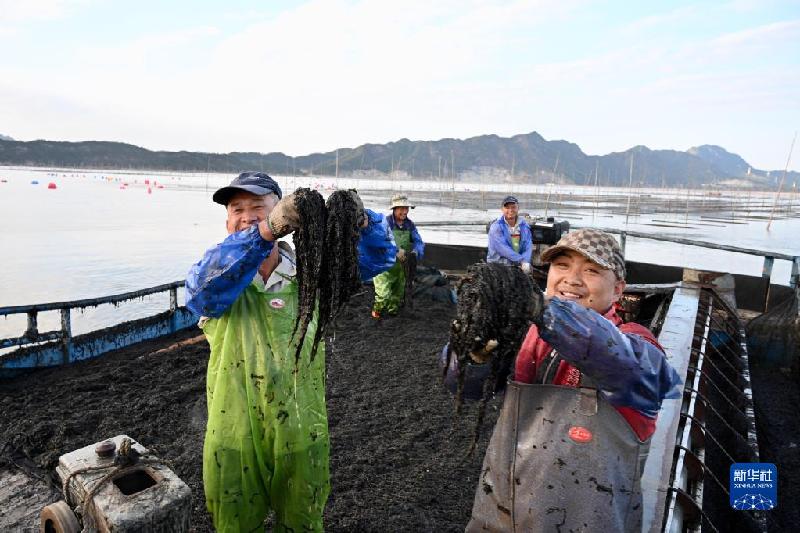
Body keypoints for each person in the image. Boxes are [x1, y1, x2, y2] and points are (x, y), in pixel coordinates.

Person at [185, 172, 396, 532]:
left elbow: (379, 258)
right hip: (234, 432)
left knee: (302, 520)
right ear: (227, 220)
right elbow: (201, 293)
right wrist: (263, 231)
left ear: (284, 213)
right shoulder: (217, 272)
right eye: (237, 209)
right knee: (234, 522)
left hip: (301, 428)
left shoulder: (312, 274)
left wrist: (363, 220)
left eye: (258, 207)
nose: (247, 215)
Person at [466, 228, 682, 532]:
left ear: (619, 290)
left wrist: (544, 310)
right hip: (499, 507)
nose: (572, 279)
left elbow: (629, 366)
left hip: (588, 517)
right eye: (562, 266)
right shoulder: (525, 336)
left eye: (592, 270)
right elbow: (466, 388)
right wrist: (473, 351)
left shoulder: (635, 343)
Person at [371, 193, 425, 318]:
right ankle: (376, 312)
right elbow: (378, 242)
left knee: (397, 295)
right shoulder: (385, 224)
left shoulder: (409, 225)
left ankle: (392, 314)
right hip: (383, 266)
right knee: (383, 295)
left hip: (401, 267)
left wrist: (416, 251)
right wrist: (395, 251)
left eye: (406, 208)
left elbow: (418, 241)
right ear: (394, 209)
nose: (405, 211)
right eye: (401, 208)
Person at [486, 195, 533, 273]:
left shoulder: (524, 226)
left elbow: (528, 246)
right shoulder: (496, 227)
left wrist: (525, 261)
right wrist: (521, 260)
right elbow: (502, 248)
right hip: (498, 265)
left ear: (518, 208)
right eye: (507, 208)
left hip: (517, 265)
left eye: (513, 207)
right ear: (502, 209)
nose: (510, 210)